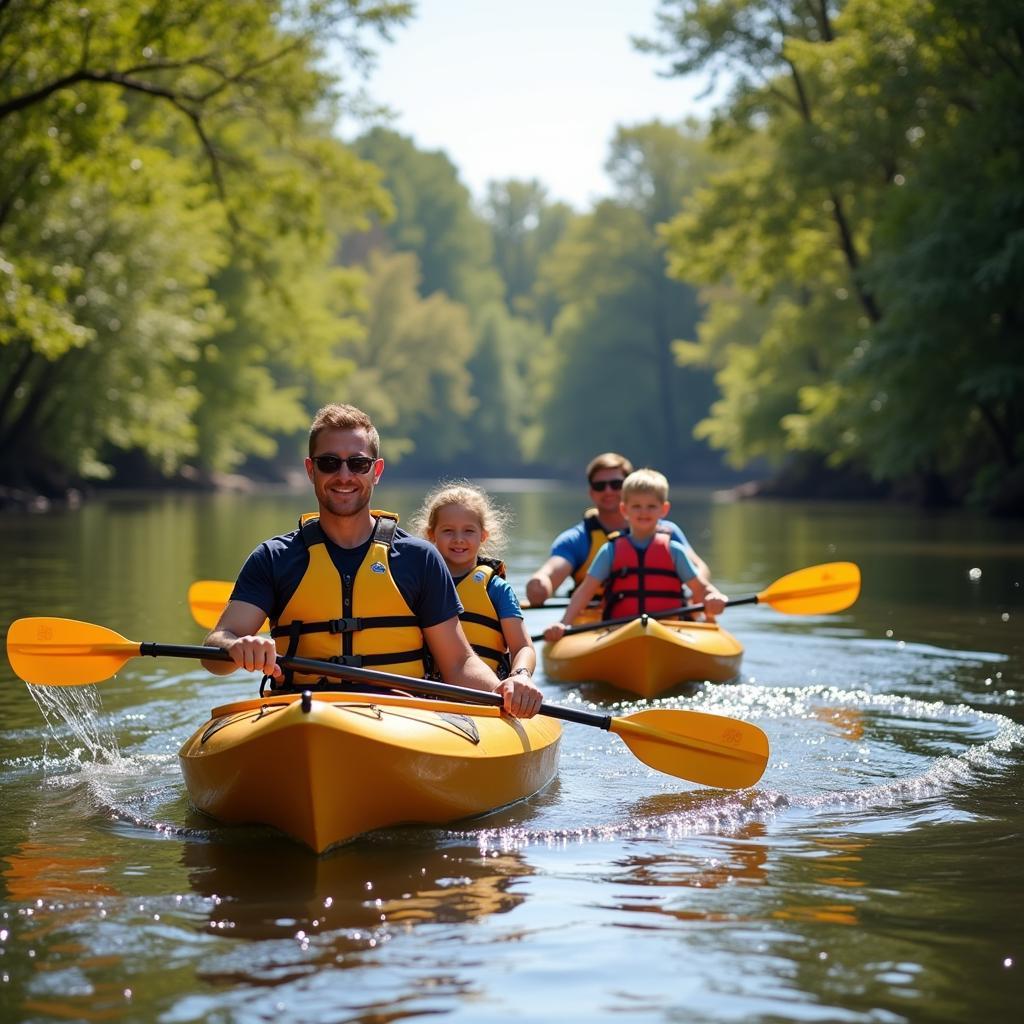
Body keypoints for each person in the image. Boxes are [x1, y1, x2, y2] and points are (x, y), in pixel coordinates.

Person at [201, 403, 543, 719]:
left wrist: (505, 688)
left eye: (358, 463)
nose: (345, 475)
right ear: (310, 470)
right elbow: (213, 651)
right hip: (300, 713)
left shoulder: (418, 558)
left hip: (401, 716)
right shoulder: (274, 558)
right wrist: (235, 645)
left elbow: (458, 663)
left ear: (376, 471)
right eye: (329, 463)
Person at [544, 468, 728, 642]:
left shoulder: (674, 551)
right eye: (637, 506)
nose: (644, 512)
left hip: (670, 630)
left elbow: (701, 588)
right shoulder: (610, 550)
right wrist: (564, 623)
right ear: (624, 510)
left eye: (651, 506)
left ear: (664, 509)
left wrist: (713, 596)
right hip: (620, 630)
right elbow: (584, 593)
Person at [525, 452, 711, 607]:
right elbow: (551, 572)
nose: (608, 491)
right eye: (600, 486)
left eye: (616, 484)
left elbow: (699, 569)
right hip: (594, 623)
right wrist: (539, 585)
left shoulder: (667, 532)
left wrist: (696, 594)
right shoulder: (576, 539)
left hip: (663, 617)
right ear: (591, 493)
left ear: (629, 488)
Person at [410, 481, 536, 683]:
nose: (459, 539)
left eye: (468, 531)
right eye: (448, 531)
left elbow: (523, 647)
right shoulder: (417, 585)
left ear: (483, 535)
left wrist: (520, 675)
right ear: (431, 534)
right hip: (428, 696)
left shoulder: (496, 589)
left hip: (484, 694)